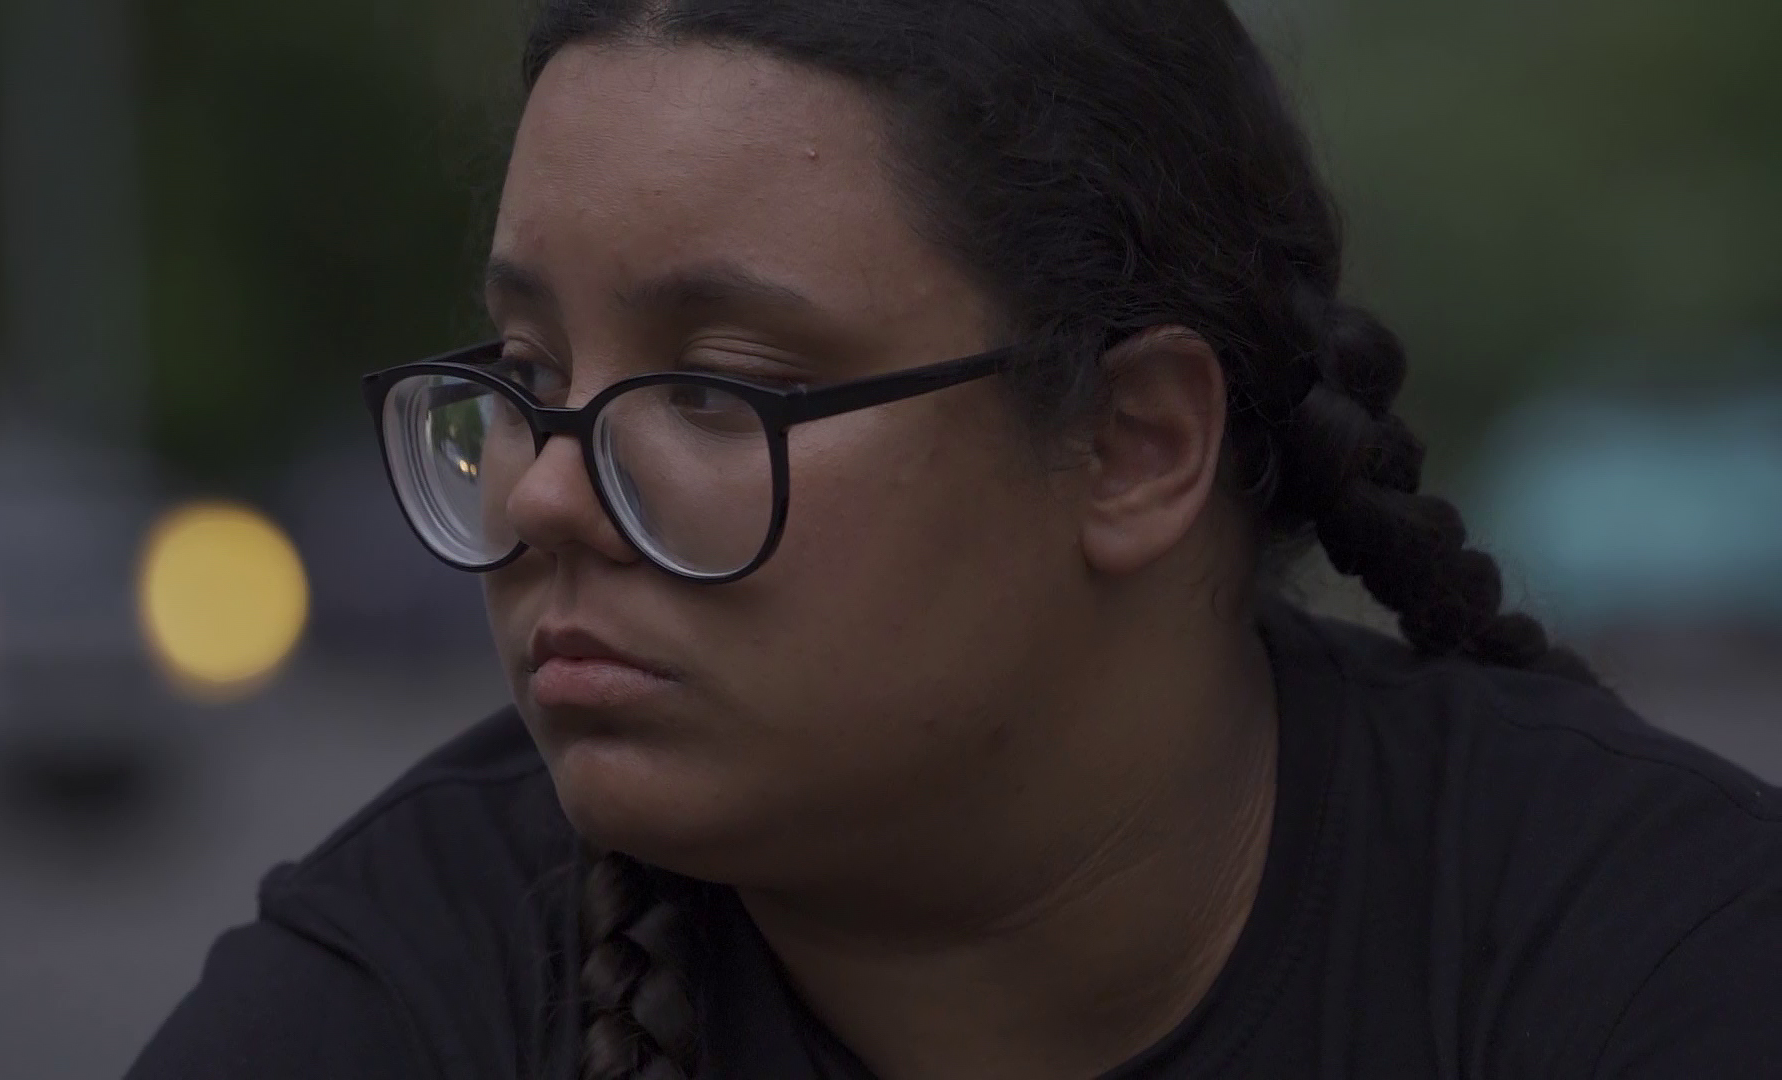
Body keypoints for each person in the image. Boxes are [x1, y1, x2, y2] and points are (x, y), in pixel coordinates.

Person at [127, 1, 1782, 1077]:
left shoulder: (1655, 958)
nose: (542, 493)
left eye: (716, 387)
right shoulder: (400, 993)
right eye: (531, 373)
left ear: (1136, 445)